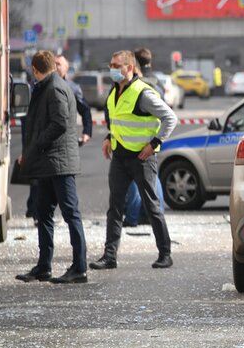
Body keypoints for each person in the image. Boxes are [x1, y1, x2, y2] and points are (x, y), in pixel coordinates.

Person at [90, 50, 177, 270]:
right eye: (111, 64)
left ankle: (165, 254)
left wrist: (154, 144)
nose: (112, 68)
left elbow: (170, 118)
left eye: (117, 65)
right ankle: (109, 256)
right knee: (115, 207)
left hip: (141, 158)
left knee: (151, 205)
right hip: (120, 157)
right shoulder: (115, 90)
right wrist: (109, 137)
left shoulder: (142, 93)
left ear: (129, 68)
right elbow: (119, 120)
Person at [15, 50, 88, 284]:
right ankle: (44, 266)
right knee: (42, 212)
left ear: (35, 70)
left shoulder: (54, 88)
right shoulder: (48, 85)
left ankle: (80, 267)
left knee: (70, 214)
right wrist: (29, 151)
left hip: (59, 163)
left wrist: (35, 146)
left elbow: (58, 125)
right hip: (48, 162)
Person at [25, 53, 92, 221]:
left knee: (69, 210)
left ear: (65, 68)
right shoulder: (40, 86)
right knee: (42, 204)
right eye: (55, 63)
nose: (56, 66)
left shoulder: (66, 87)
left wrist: (87, 132)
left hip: (59, 155)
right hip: (45, 155)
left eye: (60, 64)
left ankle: (79, 248)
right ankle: (33, 210)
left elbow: (79, 113)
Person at [123, 48, 166, 227]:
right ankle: (156, 213)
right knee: (152, 177)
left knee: (133, 178)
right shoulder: (158, 83)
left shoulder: (136, 84)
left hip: (135, 137)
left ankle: (133, 217)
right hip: (153, 136)